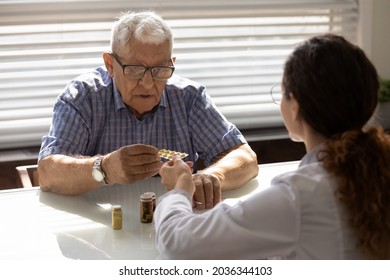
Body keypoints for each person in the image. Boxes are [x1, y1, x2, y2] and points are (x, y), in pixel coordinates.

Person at [155, 34, 390, 259]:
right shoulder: (376, 168)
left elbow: (177, 243)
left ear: (295, 106)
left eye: (283, 93)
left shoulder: (298, 196)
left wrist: (180, 189)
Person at [37, 10, 259, 209]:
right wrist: (105, 169)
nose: (147, 83)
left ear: (171, 63)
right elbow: (48, 173)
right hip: (101, 223)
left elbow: (245, 158)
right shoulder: (82, 97)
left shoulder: (188, 97)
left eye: (160, 69)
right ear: (110, 65)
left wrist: (212, 176)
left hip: (174, 222)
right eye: (135, 69)